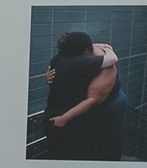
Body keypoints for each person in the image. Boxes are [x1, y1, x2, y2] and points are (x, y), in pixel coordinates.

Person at [41, 31, 124, 160]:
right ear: (85, 51)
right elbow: (112, 59)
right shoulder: (83, 62)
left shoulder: (58, 59)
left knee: (57, 154)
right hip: (62, 120)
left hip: (50, 115)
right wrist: (64, 119)